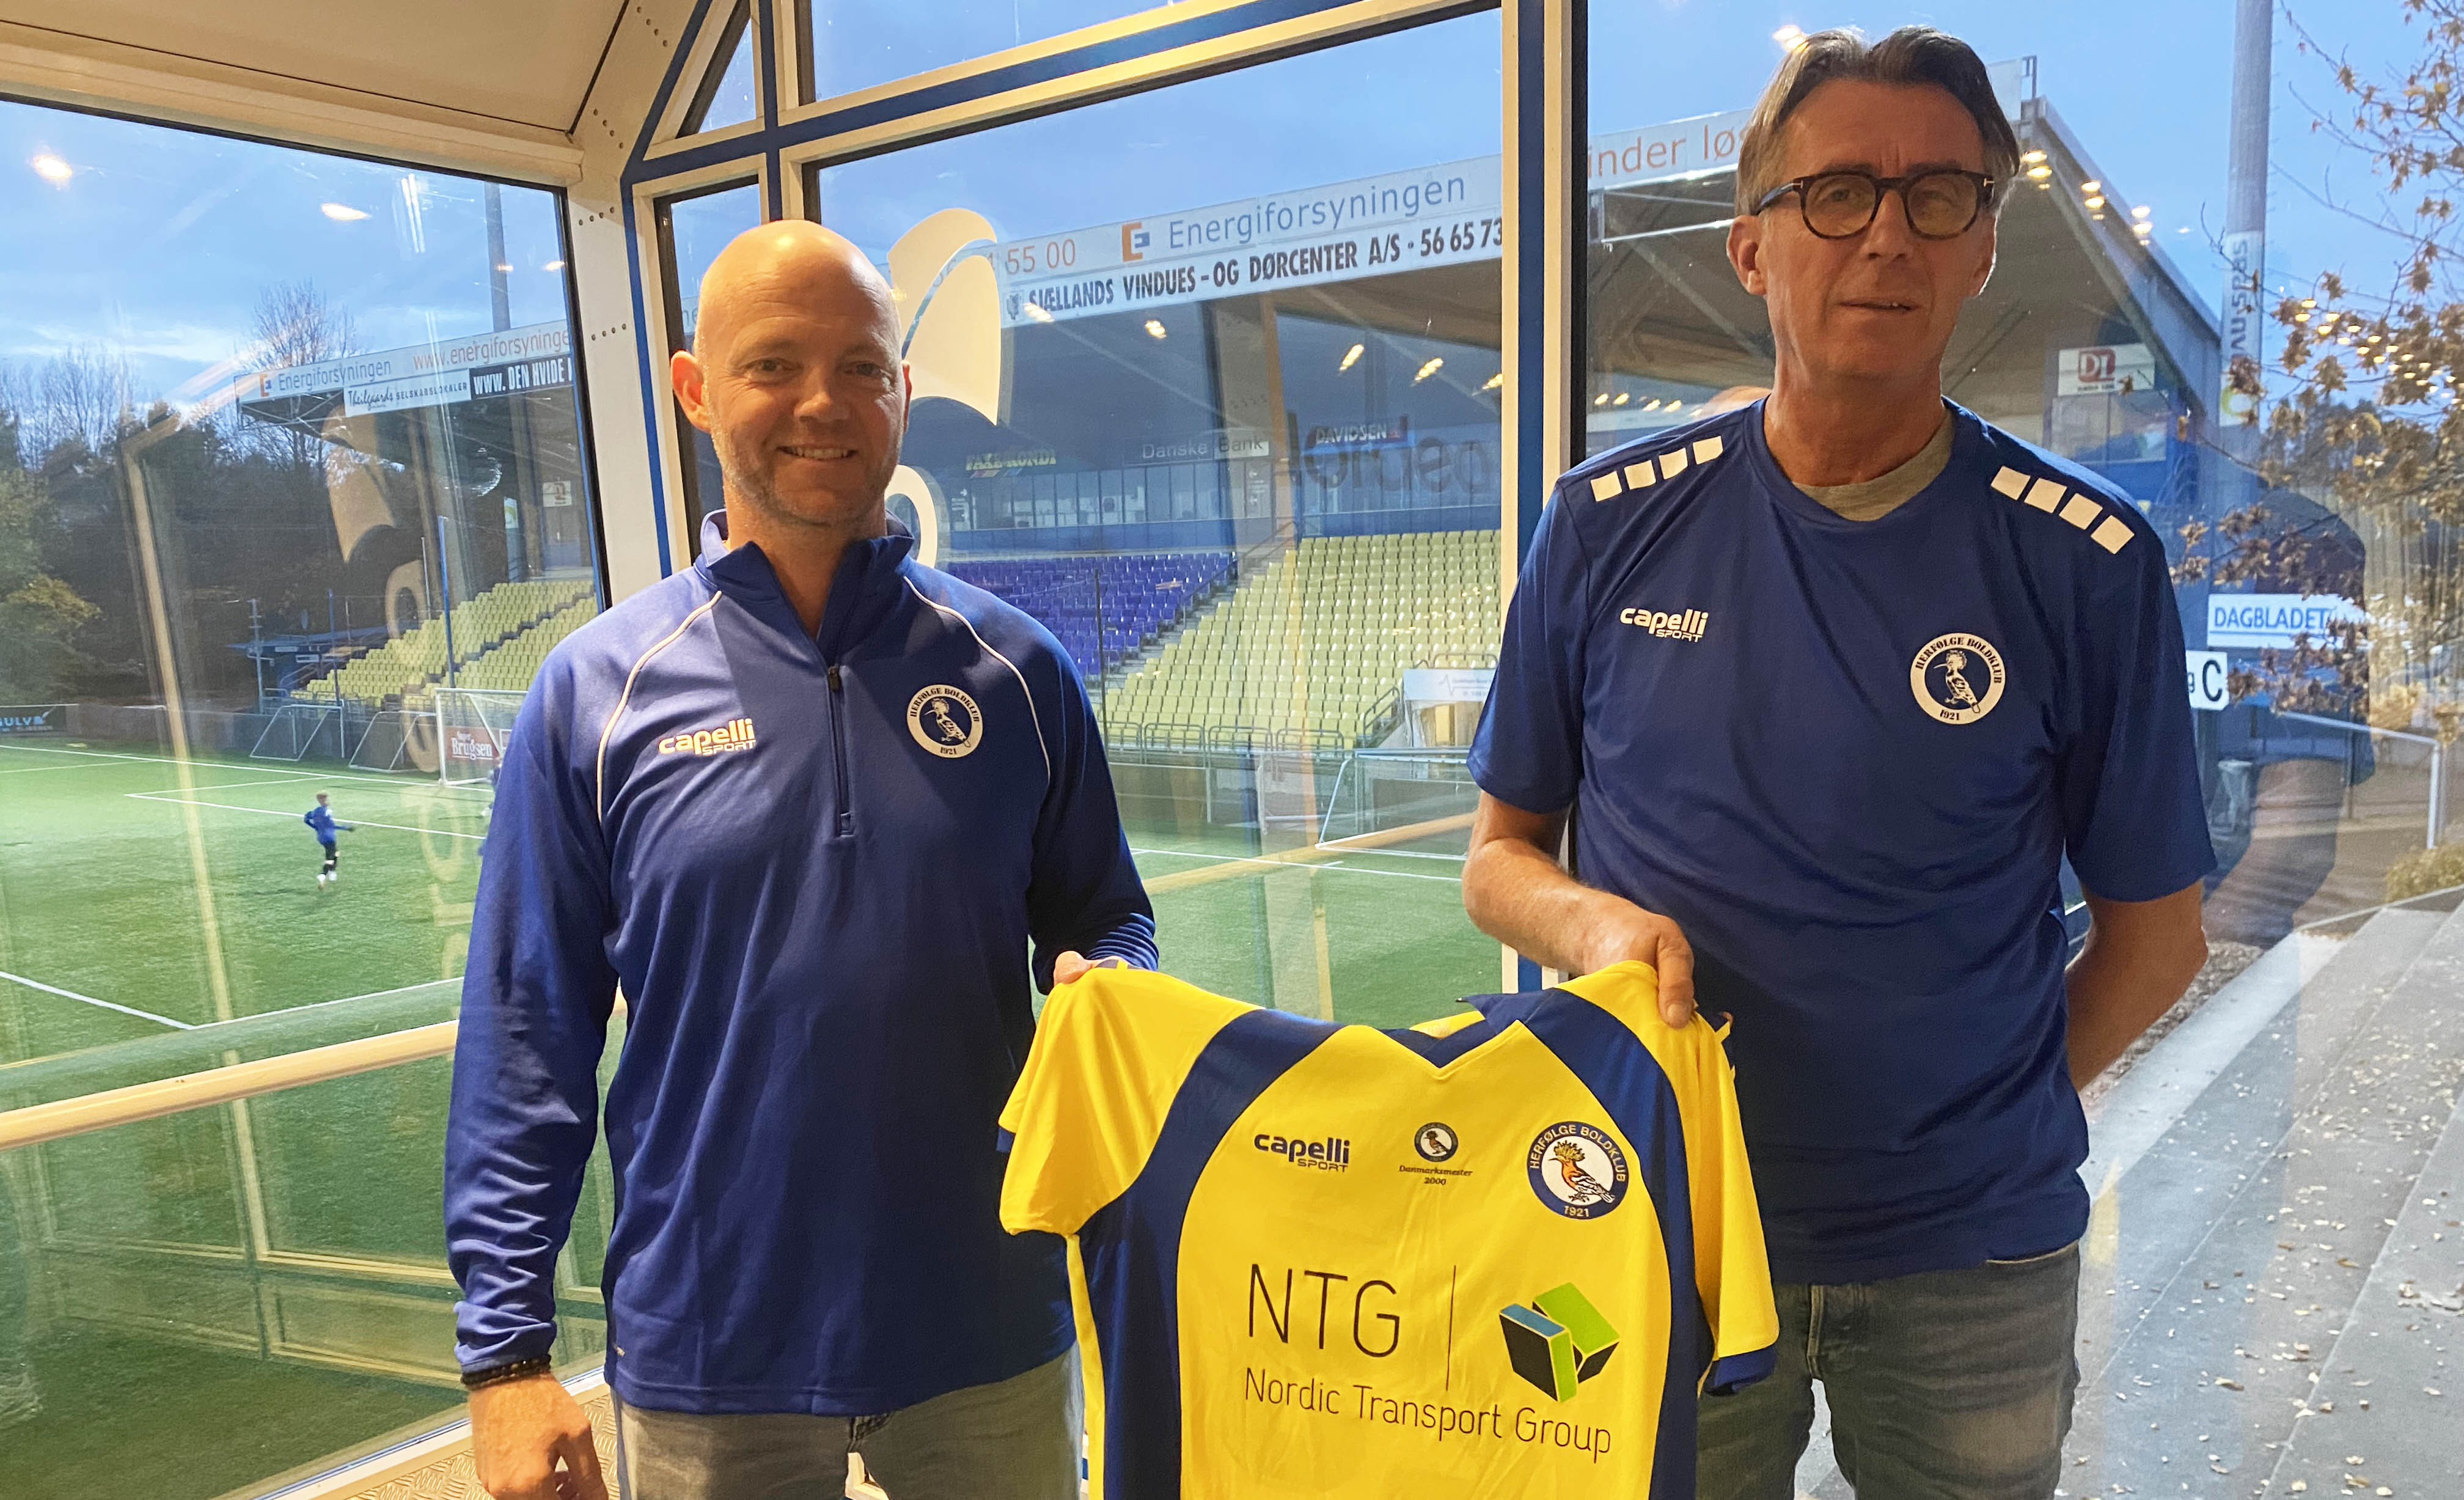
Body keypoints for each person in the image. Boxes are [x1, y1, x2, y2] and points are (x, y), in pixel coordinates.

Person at [1462, 26, 2212, 1500]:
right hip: (1660, 1219)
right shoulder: (1605, 524)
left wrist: (1985, 1117)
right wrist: (1594, 927)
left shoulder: (2087, 559)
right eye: (1839, 192)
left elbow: (2159, 938)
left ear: (1984, 245)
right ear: (1751, 246)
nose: (1887, 234)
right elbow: (1499, 858)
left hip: (1974, 1264)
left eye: (1939, 195)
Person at [445, 221, 1156, 1500]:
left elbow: (1108, 917)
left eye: (861, 367)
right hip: (711, 1341)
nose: (823, 403)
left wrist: (1108, 982)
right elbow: (523, 1027)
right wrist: (506, 1358)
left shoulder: (1018, 673)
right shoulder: (595, 693)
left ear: (902, 392)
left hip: (988, 1320)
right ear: (694, 389)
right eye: (774, 363)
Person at [304, 792, 353, 887]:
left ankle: (332, 872)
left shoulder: (315, 811)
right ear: (322, 800)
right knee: (330, 858)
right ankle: (323, 874)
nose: (328, 801)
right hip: (329, 837)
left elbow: (306, 819)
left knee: (336, 853)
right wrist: (346, 828)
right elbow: (331, 826)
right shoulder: (327, 812)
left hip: (321, 837)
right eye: (326, 799)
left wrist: (315, 827)